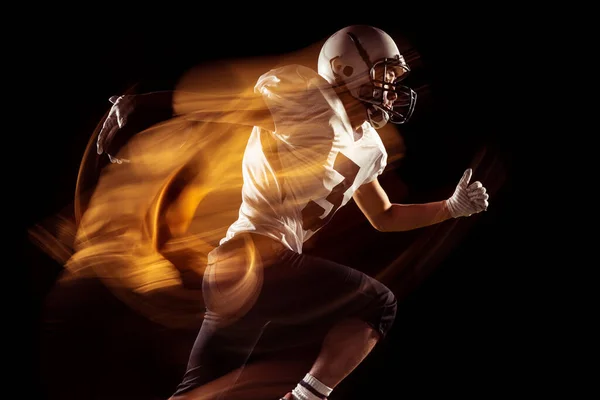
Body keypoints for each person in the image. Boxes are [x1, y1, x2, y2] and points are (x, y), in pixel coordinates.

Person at [97, 25, 489, 400]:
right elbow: (225, 110)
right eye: (384, 74)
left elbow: (384, 215)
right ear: (344, 69)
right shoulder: (308, 101)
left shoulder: (369, 147)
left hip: (239, 269)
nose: (392, 90)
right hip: (259, 258)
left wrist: (450, 208)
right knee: (379, 304)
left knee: (195, 392)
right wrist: (143, 105)